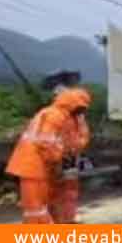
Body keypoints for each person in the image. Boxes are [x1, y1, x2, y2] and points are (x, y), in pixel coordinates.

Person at [5, 89, 90, 243]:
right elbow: (47, 143)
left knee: (41, 206)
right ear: (72, 104)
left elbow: (60, 143)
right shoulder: (55, 116)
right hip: (32, 166)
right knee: (36, 210)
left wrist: (61, 158)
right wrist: (59, 159)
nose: (81, 112)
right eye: (80, 108)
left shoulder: (58, 114)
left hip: (36, 166)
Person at [50, 89, 91, 224]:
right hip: (57, 156)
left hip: (71, 157)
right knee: (55, 189)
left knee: (70, 188)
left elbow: (84, 134)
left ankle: (69, 219)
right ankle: (56, 220)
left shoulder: (78, 117)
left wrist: (77, 147)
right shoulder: (54, 115)